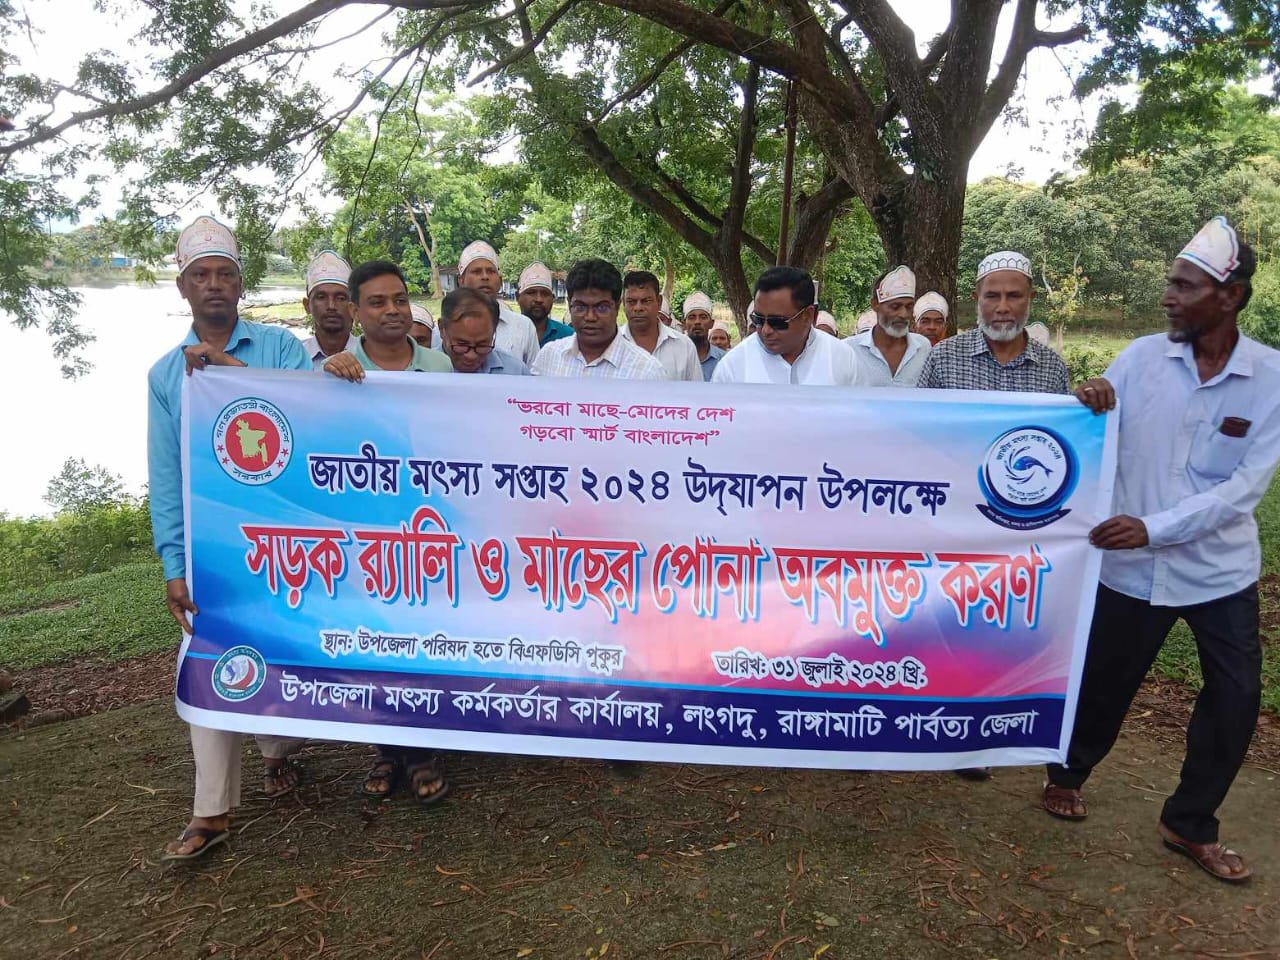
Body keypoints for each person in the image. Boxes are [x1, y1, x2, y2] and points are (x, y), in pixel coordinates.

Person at [1048, 217, 1275, 884]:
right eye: (1170, 283)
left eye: (1184, 286)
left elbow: (1244, 489)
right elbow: (1093, 427)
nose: (1168, 297)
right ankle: (1067, 774)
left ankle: (1191, 822)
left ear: (1231, 296)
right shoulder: (1142, 358)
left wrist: (1155, 527)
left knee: (1236, 696)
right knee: (1105, 680)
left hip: (1218, 571)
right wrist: (1088, 399)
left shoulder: (1271, 379)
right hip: (1128, 566)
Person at [148, 216, 309, 860]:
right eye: (201, 275)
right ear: (183, 287)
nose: (214, 284)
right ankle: (208, 811)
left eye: (224, 274)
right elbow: (167, 476)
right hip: (215, 549)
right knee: (206, 653)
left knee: (286, 649)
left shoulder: (281, 348)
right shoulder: (166, 375)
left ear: (241, 285)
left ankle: (278, 750)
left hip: (290, 538)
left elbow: (311, 418)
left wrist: (224, 370)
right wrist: (173, 563)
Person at [917, 251, 1070, 395]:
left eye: (1014, 296)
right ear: (977, 299)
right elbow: (922, 411)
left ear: (1031, 298)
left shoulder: (1052, 367)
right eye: (992, 296)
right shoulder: (943, 358)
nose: (1002, 308)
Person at [712, 266, 859, 386]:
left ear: (808, 316)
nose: (766, 330)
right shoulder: (732, 366)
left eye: (777, 322)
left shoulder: (842, 358)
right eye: (758, 320)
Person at [531, 259, 666, 380]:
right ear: (569, 305)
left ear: (617, 306)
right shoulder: (549, 357)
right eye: (580, 307)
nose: (590, 317)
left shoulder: (647, 372)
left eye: (601, 307)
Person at [322, 260, 452, 379]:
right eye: (377, 303)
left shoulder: (440, 365)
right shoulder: (336, 371)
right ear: (355, 312)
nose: (392, 310)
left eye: (400, 301)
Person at [434, 241, 539, 365]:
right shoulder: (441, 330)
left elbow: (531, 375)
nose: (485, 277)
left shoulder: (523, 326)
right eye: (476, 271)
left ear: (500, 281)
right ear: (461, 280)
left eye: (490, 271)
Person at [845, 265, 931, 387]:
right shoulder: (849, 350)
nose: (903, 314)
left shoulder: (923, 348)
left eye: (909, 307)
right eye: (895, 307)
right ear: (875, 304)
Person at [620, 271, 701, 381]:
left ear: (659, 302)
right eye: (631, 302)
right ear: (623, 303)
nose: (638, 308)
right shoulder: (612, 345)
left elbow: (696, 390)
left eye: (646, 301)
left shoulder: (684, 346)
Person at [439, 288, 530, 375]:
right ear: (442, 329)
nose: (471, 356)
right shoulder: (429, 370)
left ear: (494, 330)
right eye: (462, 344)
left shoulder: (516, 372)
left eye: (482, 345)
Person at [300, 251, 355, 368]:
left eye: (340, 298)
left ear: (353, 307)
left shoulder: (372, 356)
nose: (331, 306)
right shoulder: (294, 357)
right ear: (307, 305)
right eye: (321, 297)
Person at [517, 261, 573, 346]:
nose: (539, 299)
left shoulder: (569, 336)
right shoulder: (505, 333)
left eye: (545, 293)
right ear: (517, 297)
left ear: (553, 298)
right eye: (531, 293)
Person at [683, 292, 724, 381]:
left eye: (703, 317)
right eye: (692, 317)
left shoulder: (724, 359)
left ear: (711, 323)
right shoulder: (676, 357)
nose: (697, 322)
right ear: (684, 324)